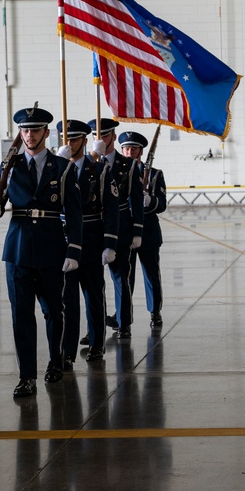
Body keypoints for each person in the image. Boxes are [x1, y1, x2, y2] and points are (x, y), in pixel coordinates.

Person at [0, 106, 83, 397]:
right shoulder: (10, 166)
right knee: (21, 315)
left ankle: (55, 361)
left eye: (35, 130)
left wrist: (73, 251)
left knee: (54, 310)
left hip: (52, 248)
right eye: (25, 130)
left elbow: (74, 215)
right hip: (17, 250)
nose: (29, 135)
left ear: (46, 133)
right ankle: (26, 376)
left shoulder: (63, 168)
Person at [56, 119, 119, 363]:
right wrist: (60, 166)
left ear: (84, 141)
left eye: (73, 139)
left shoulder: (99, 169)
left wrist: (110, 244)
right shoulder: (56, 169)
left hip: (91, 237)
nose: (69, 144)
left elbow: (112, 209)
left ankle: (96, 343)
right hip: (65, 240)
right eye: (65, 139)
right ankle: (68, 351)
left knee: (93, 295)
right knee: (67, 299)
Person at [89, 117, 144, 340]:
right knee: (92, 281)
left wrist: (138, 231)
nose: (99, 139)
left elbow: (137, 200)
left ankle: (123, 323)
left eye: (103, 135)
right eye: (95, 135)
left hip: (121, 225)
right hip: (94, 226)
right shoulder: (87, 163)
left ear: (113, 136)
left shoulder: (128, 165)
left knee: (121, 277)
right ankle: (95, 327)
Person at [120, 132, 167, 329]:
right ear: (122, 151)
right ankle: (124, 315)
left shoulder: (155, 175)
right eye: (127, 149)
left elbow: (162, 204)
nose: (130, 152)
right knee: (124, 277)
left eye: (134, 149)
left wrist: (150, 200)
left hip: (147, 231)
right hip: (126, 230)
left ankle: (155, 311)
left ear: (141, 151)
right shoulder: (117, 173)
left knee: (151, 274)